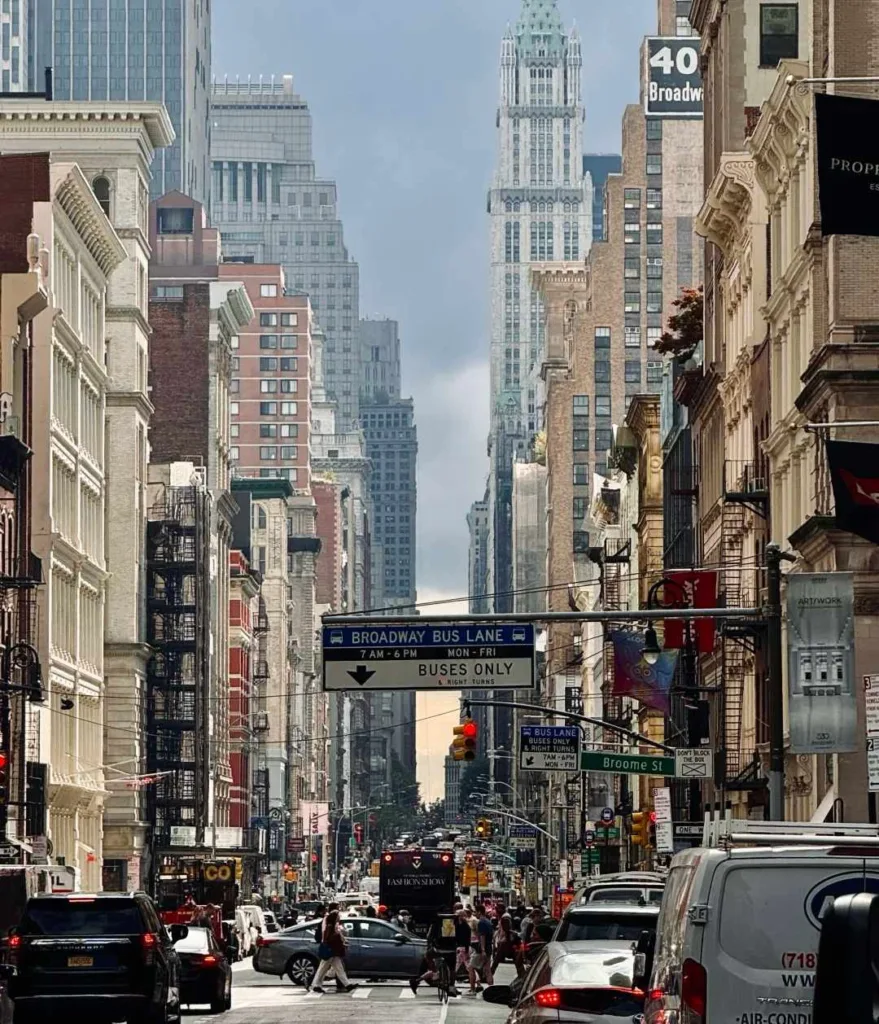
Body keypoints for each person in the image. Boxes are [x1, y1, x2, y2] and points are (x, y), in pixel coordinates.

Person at [309, 910, 357, 994]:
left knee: (339, 968)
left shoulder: (333, 926)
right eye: (338, 915)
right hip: (330, 951)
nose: (339, 917)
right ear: (335, 917)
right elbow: (328, 939)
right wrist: (339, 938)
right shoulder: (330, 926)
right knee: (322, 969)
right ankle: (315, 985)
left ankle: (347, 984)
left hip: (333, 951)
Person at [468, 904, 494, 991]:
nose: (475, 914)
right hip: (489, 948)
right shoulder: (488, 922)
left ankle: (472, 989)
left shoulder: (481, 922)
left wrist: (482, 950)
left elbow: (482, 937)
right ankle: (491, 988)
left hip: (482, 949)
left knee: (471, 967)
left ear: (480, 912)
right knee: (487, 969)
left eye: (476, 912)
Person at [493, 913, 525, 977]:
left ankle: (522, 976)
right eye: (504, 924)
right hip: (508, 950)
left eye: (507, 924)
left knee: (519, 966)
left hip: (515, 951)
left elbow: (520, 944)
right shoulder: (501, 934)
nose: (505, 926)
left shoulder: (513, 934)